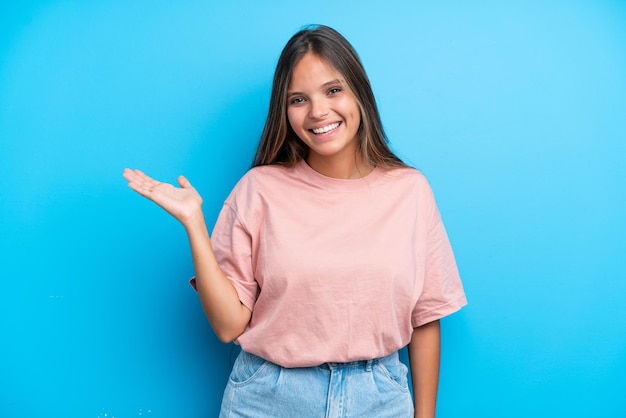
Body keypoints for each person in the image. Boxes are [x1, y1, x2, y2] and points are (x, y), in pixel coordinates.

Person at [123, 24, 466, 418]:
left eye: (333, 90)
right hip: (268, 399)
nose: (318, 111)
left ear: (360, 93)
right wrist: (194, 224)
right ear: (284, 111)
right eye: (298, 99)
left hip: (380, 400)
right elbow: (227, 326)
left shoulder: (410, 191)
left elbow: (425, 319)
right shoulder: (259, 190)